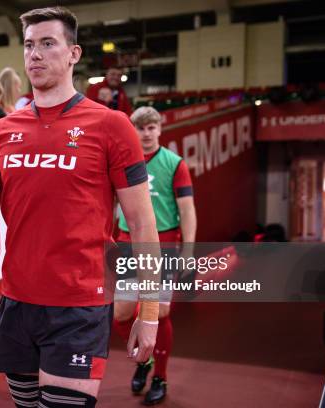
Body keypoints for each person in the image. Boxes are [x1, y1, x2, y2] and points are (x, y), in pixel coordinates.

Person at [0, 7, 160, 407]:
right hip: (17, 304)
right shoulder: (3, 132)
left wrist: (149, 312)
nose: (35, 54)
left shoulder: (111, 126)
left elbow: (141, 224)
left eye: (48, 43)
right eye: (30, 45)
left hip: (79, 309)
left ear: (74, 53)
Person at [113, 106, 197, 405]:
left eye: (151, 128)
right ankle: (143, 361)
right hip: (128, 242)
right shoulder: (123, 161)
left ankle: (160, 376)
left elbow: (187, 210)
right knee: (121, 314)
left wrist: (188, 252)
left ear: (160, 129)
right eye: (140, 128)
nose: (146, 134)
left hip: (164, 244)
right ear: (133, 131)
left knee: (159, 313)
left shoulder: (175, 164)